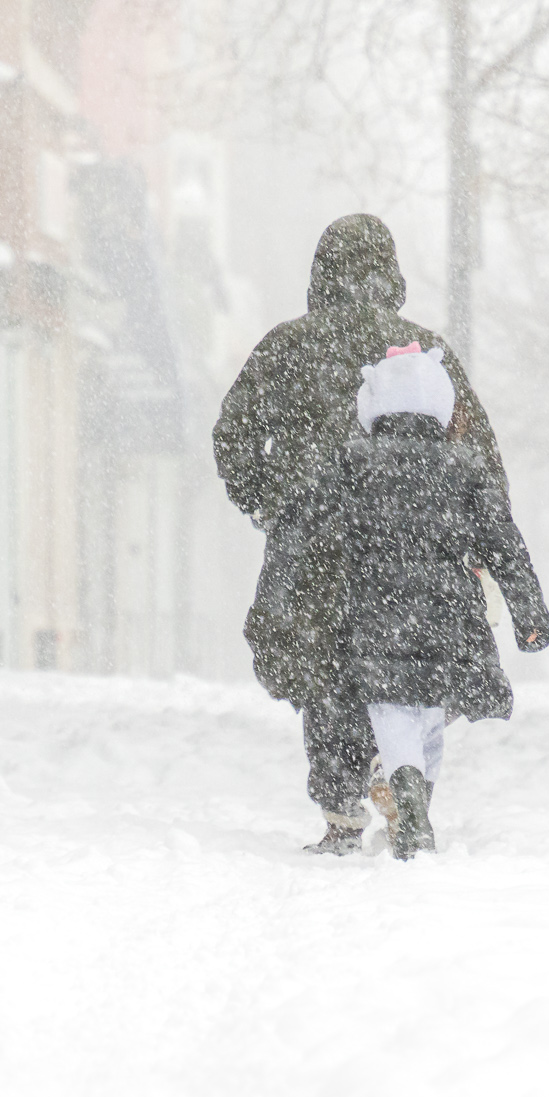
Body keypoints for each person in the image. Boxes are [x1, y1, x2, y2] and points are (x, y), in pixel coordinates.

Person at [212, 214, 509, 855]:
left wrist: (267, 500)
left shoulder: (287, 347)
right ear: (391, 274)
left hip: (314, 543)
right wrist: (475, 535)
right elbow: (478, 451)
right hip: (407, 545)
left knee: (324, 671)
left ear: (321, 272)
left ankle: (342, 809)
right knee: (404, 663)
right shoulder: (423, 351)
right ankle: (396, 767)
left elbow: (232, 434)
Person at [266, 344, 549, 859]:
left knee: (390, 707)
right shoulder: (465, 466)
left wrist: (279, 594)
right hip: (449, 610)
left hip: (375, 607)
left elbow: (298, 530)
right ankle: (415, 811)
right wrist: (529, 614)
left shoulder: (351, 461)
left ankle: (410, 811)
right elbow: (505, 545)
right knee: (430, 710)